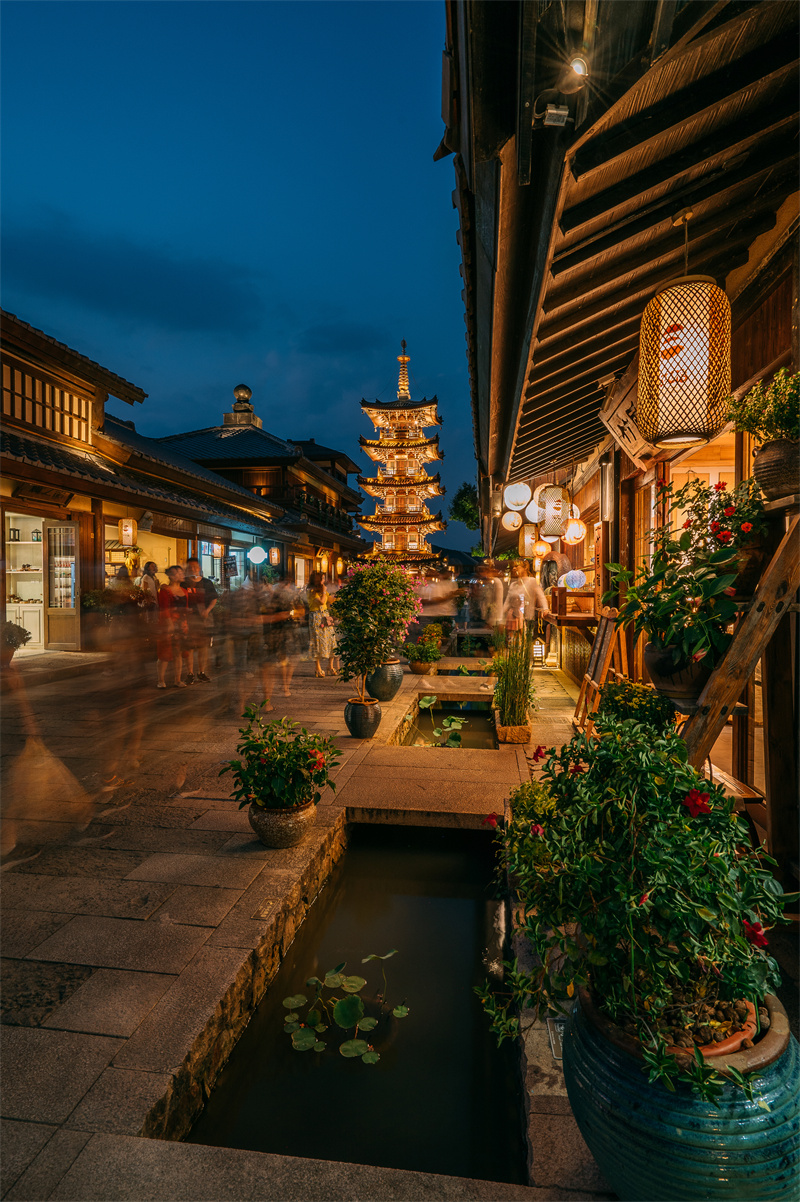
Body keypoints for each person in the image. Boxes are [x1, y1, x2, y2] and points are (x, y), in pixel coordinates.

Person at [182, 557, 218, 683]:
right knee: (189, 647)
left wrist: (207, 611)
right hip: (188, 620)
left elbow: (214, 598)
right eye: (190, 567)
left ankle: (201, 672)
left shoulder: (207, 583)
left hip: (204, 620)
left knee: (203, 647)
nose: (193, 569)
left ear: (199, 568)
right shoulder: (183, 583)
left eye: (195, 567)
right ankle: (190, 673)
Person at [156, 565, 190, 688]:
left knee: (179, 652)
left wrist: (186, 623)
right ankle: (161, 680)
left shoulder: (184, 591)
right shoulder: (165, 591)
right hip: (167, 625)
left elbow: (185, 608)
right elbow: (164, 609)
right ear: (171, 576)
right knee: (164, 653)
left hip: (181, 625)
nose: (182, 575)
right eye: (179, 573)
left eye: (182, 572)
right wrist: (170, 624)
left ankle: (178, 679)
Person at [503, 558, 548, 639]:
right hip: (514, 618)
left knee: (526, 641)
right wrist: (500, 616)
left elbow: (541, 596)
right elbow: (507, 602)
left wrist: (545, 609)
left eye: (517, 566)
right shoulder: (513, 584)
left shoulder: (531, 581)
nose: (514, 568)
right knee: (514, 641)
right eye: (513, 567)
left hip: (527, 618)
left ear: (525, 568)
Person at [306, 570, 336, 677]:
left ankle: (330, 666)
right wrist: (324, 591)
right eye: (322, 578)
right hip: (316, 617)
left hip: (326, 616)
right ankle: (318, 668)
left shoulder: (321, 590)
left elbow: (329, 600)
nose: (324, 580)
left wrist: (338, 596)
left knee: (331, 639)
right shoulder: (311, 590)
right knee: (317, 641)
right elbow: (322, 601)